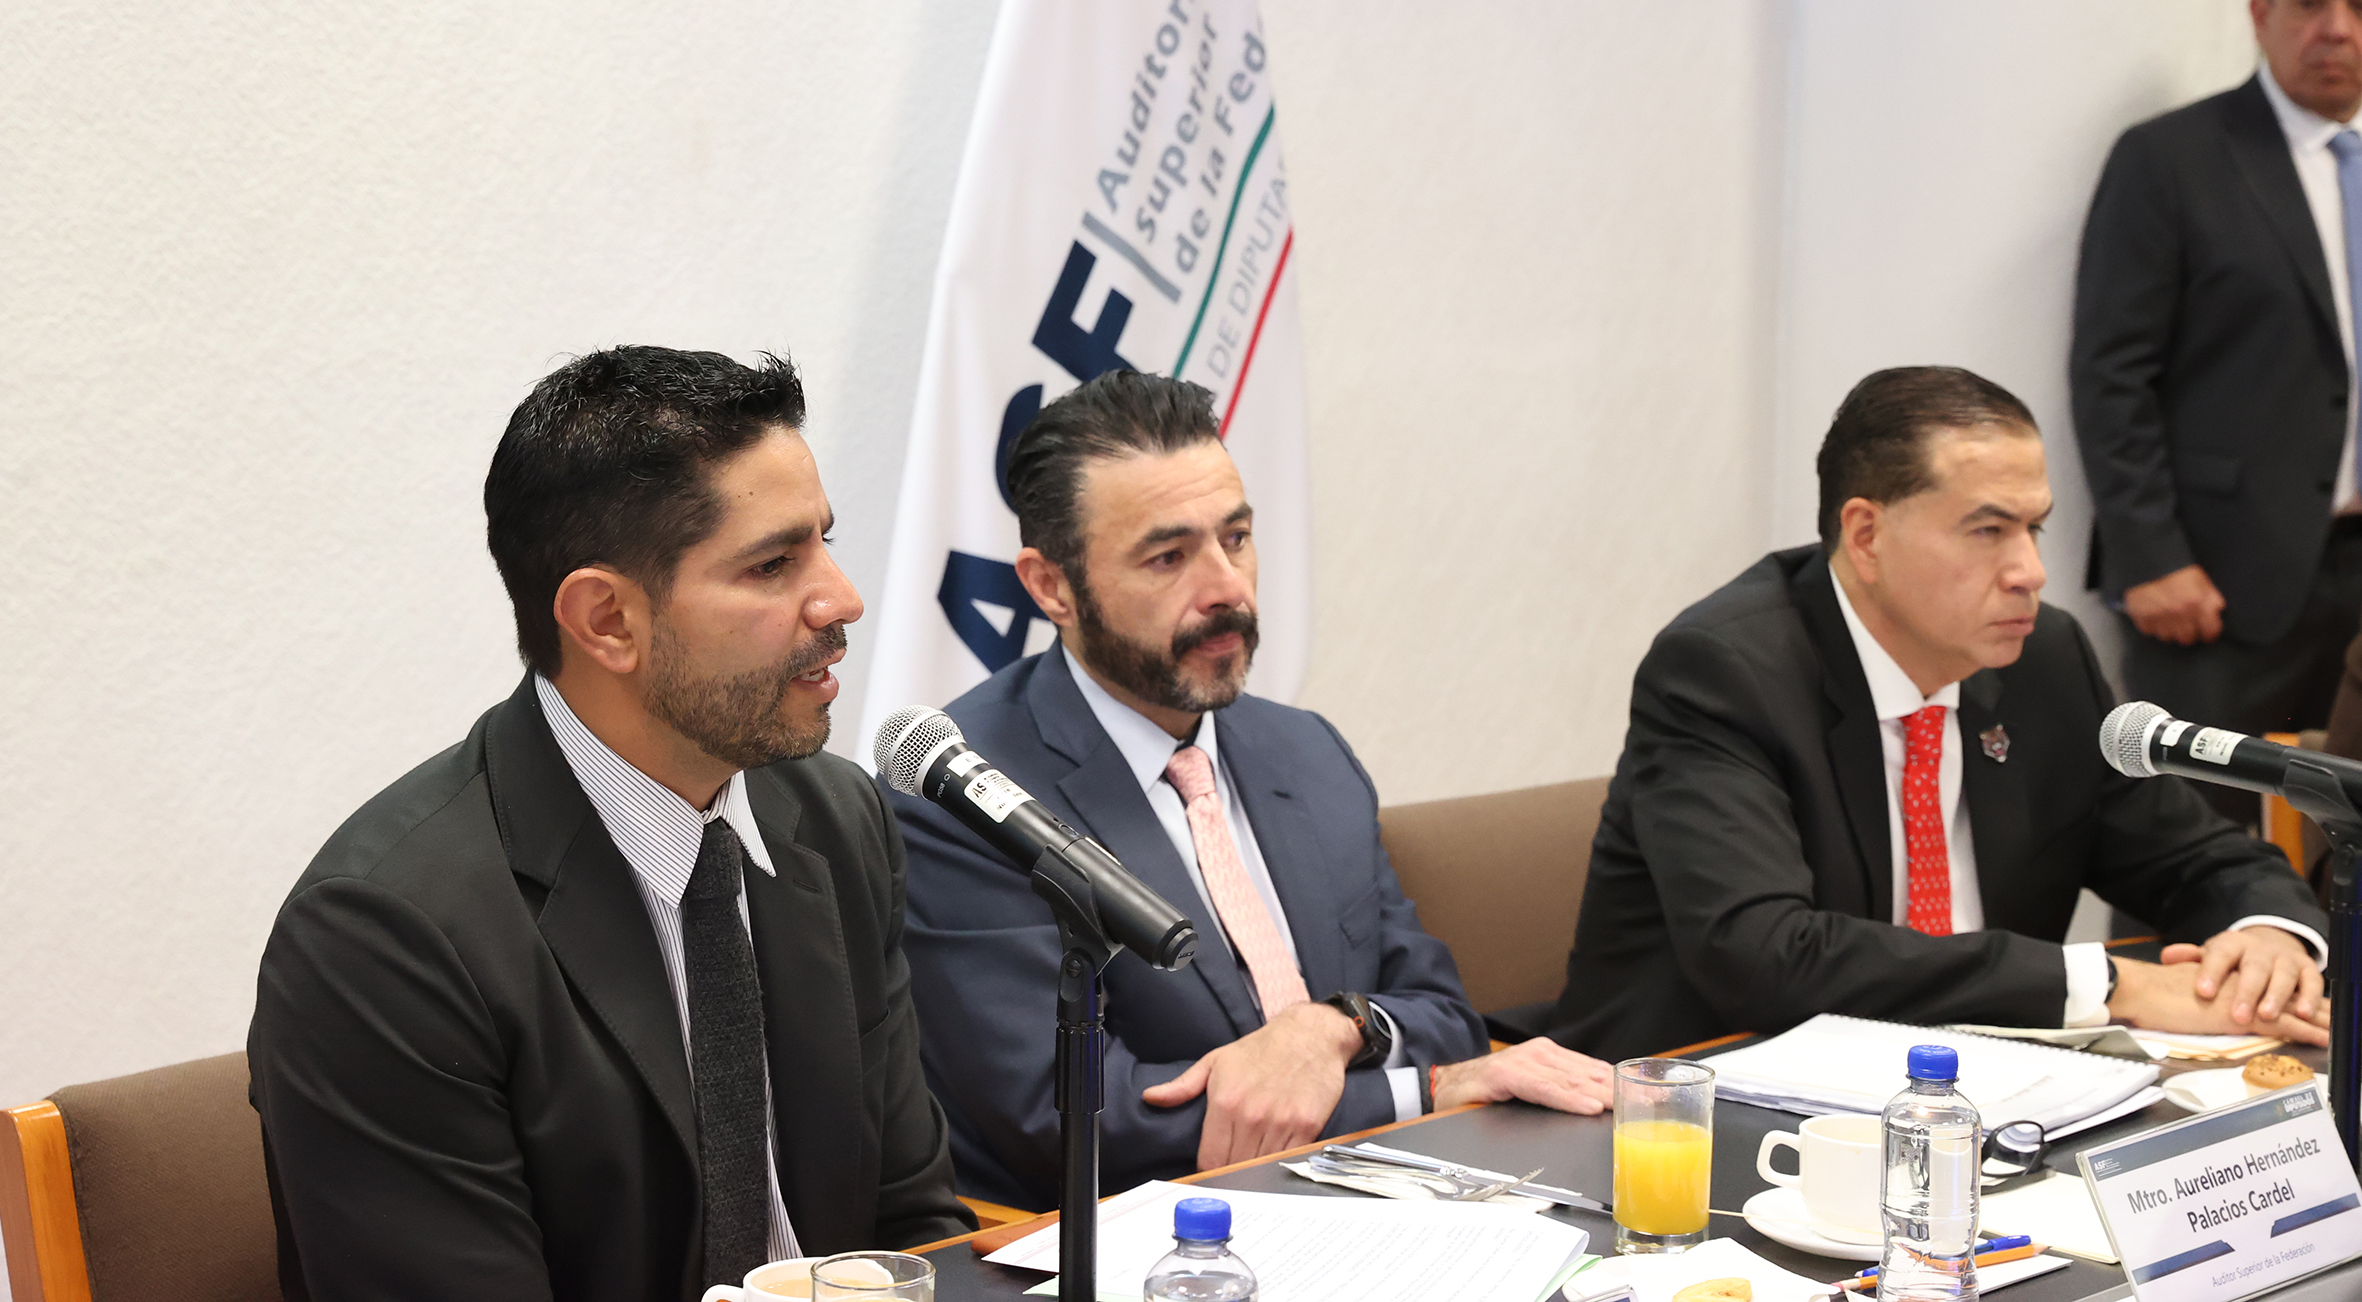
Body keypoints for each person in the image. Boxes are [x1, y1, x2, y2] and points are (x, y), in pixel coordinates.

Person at [248, 347, 970, 1301]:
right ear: (607, 621)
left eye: (824, 542)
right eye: (772, 564)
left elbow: (914, 1227)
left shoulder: (836, 820)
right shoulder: (384, 939)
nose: (842, 598)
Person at [888, 370, 1613, 1213]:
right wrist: (1416, 1091)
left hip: (1384, 1203)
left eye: (1235, 538)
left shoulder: (1306, 750)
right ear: (1052, 586)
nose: (1226, 587)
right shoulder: (969, 791)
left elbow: (1445, 1015)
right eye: (1168, 556)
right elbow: (1066, 1113)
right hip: (1132, 1233)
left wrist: (1334, 1026)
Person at [1546, 366, 2330, 1062]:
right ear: (1866, 535)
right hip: (1701, 1105)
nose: (2030, 571)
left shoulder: (2043, 660)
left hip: (1986, 1094)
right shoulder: (1725, 671)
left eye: (2033, 527)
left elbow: (2198, 858)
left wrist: (2266, 936)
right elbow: (1766, 954)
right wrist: (2111, 985)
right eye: (1988, 530)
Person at [2071, 0, 2362, 811]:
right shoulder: (2172, 158)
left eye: (2361, 4)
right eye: (2310, 1)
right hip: (2215, 586)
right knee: (2201, 843)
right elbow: (2110, 370)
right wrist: (2150, 554)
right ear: (2262, 16)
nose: (2337, 27)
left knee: (2342, 850)